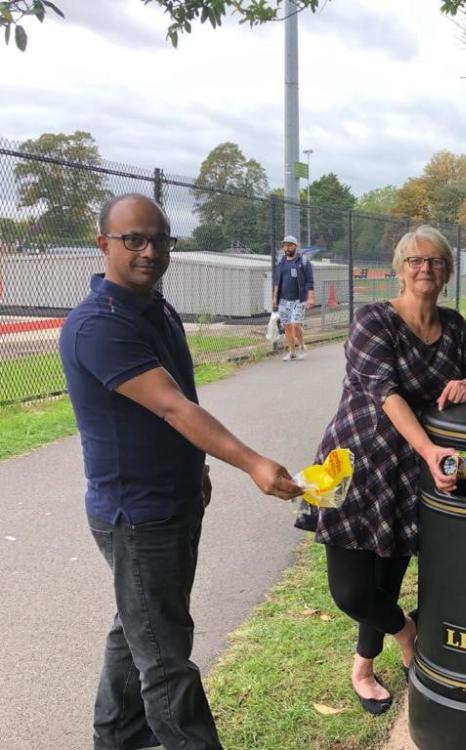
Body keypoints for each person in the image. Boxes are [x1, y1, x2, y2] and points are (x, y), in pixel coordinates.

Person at [59, 194, 303, 750]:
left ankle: (116, 738)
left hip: (171, 503)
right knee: (166, 659)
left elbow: (181, 397)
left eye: (160, 240)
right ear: (104, 245)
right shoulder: (97, 327)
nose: (150, 251)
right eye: (134, 240)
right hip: (136, 516)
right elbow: (173, 406)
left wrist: (196, 469)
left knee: (140, 627)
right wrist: (252, 463)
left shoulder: (156, 308)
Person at [307, 225, 466, 714]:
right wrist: (432, 450)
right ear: (399, 269)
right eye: (415, 261)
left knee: (387, 579)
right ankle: (409, 633)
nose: (424, 268)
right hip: (359, 465)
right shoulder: (373, 321)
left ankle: (363, 669)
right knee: (351, 589)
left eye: (434, 261)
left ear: (447, 272)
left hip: (410, 471)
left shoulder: (454, 326)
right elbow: (385, 393)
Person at [272, 234, 315, 361]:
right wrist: (275, 297)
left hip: (299, 299)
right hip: (284, 300)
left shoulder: (303, 261)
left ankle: (301, 344)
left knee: (296, 325)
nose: (287, 248)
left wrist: (310, 297)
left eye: (289, 245)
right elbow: (276, 281)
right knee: (287, 326)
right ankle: (291, 352)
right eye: (285, 245)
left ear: (295, 246)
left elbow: (310, 281)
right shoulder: (281, 262)